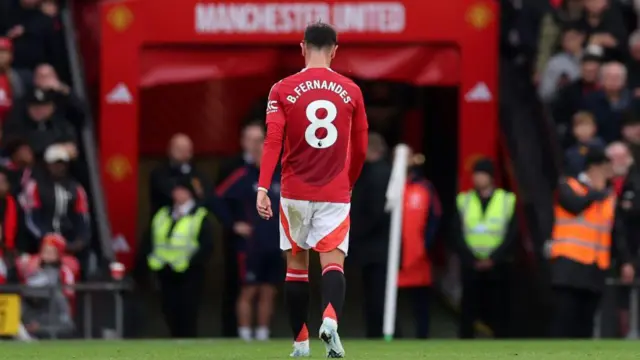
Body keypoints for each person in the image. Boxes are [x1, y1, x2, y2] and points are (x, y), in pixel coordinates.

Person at [256, 22, 368, 357]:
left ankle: (301, 342)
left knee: (296, 266)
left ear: (302, 47)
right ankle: (330, 319)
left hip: (293, 191)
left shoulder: (281, 89)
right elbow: (360, 146)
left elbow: (272, 141)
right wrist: (350, 179)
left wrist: (263, 187)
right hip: (334, 190)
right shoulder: (351, 90)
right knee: (333, 263)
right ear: (335, 50)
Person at [549, 147, 635, 338]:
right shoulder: (569, 185)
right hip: (568, 264)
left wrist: (626, 261)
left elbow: (616, 232)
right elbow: (574, 205)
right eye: (606, 169)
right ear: (593, 168)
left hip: (595, 267)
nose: (609, 175)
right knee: (564, 321)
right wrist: (596, 192)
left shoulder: (608, 197)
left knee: (586, 323)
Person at [217, 126, 282, 341]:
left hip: (275, 244)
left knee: (268, 292)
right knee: (249, 291)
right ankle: (244, 335)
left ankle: (263, 334)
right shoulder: (243, 176)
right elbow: (217, 198)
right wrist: (233, 224)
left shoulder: (281, 176)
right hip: (251, 245)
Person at [139, 177, 214, 338]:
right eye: (176, 190)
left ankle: (187, 342)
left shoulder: (199, 216)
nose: (178, 194)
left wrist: (192, 263)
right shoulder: (163, 214)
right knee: (168, 310)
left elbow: (206, 246)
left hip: (190, 272)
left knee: (188, 312)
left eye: (182, 190)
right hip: (165, 271)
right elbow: (150, 239)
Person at [452, 158, 518, 339]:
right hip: (471, 264)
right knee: (468, 308)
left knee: (499, 307)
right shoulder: (463, 200)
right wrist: (471, 259)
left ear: (491, 177)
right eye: (476, 174)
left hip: (498, 265)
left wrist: (493, 258)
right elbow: (456, 233)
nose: (478, 178)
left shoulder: (506, 200)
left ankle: (500, 344)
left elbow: (512, 234)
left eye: (482, 174)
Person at [396, 149, 442, 339]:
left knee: (420, 303)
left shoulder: (425, 188)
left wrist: (425, 245)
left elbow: (436, 218)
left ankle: (422, 338)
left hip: (419, 258)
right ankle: (391, 339)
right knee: (391, 305)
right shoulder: (390, 188)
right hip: (393, 260)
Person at [350, 133, 391, 339]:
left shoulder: (376, 175)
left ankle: (379, 334)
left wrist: (354, 233)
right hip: (376, 247)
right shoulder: (381, 173)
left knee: (376, 296)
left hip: (374, 248)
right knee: (375, 295)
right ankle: (378, 333)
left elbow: (375, 213)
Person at [22, 144, 90, 259]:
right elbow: (31, 218)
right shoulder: (35, 186)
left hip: (69, 242)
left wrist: (80, 240)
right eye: (55, 163)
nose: (59, 167)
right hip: (42, 243)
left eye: (62, 163)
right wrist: (47, 238)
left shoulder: (76, 188)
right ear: (47, 165)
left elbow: (82, 218)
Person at [16, 233, 79, 339]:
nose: (47, 254)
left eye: (51, 251)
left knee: (57, 296)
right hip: (34, 309)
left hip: (55, 313)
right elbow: (26, 289)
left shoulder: (65, 270)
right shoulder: (33, 268)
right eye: (45, 250)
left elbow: (68, 295)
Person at [3, 88, 77, 158]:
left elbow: (72, 149)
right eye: (34, 107)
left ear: (52, 107)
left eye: (43, 107)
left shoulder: (62, 126)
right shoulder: (17, 127)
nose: (38, 111)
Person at [149, 133, 210, 214]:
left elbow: (205, 196)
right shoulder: (159, 173)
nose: (184, 153)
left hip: (192, 222)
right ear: (170, 150)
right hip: (165, 221)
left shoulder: (198, 174)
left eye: (187, 150)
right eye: (179, 149)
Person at [582, 62, 631, 144]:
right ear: (601, 80)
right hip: (598, 145)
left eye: (617, 77)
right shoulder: (590, 101)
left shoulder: (632, 100)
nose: (613, 80)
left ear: (624, 80)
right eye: (609, 77)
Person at [564, 111, 605, 176]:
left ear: (594, 128)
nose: (584, 129)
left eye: (587, 125)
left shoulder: (601, 145)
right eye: (579, 126)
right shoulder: (570, 153)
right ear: (573, 130)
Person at [0, 37, 26, 124]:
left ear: (11, 56)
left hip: (12, 125)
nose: (1, 56)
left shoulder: (20, 77)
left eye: (4, 52)